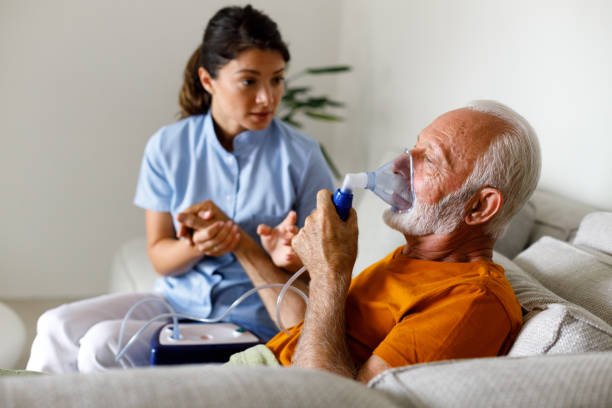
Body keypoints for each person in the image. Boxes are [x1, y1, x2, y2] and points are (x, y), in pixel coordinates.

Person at [26, 5, 333, 373]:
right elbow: (159, 254)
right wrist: (195, 245)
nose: (267, 98)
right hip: (174, 303)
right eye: (250, 81)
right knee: (54, 325)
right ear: (208, 80)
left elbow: (321, 272)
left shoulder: (301, 156)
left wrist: (290, 254)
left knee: (103, 343)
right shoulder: (168, 147)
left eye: (277, 79)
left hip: (249, 320)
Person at [183, 100, 541, 382]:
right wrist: (245, 245)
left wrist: (329, 273)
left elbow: (332, 402)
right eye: (414, 146)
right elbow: (309, 335)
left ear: (479, 206)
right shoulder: (412, 261)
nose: (400, 164)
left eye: (430, 160)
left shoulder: (472, 301)